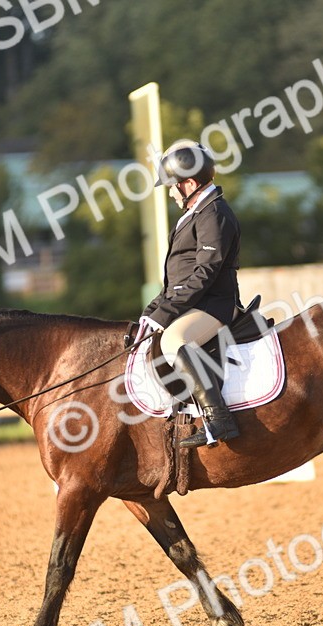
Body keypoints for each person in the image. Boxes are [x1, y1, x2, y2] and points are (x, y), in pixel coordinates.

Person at [141, 140, 242, 448]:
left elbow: (205, 272)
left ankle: (219, 419)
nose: (171, 192)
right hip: (195, 302)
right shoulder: (197, 211)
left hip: (214, 305)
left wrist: (166, 314)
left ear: (189, 183)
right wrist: (153, 310)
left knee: (174, 340)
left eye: (173, 186)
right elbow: (178, 277)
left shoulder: (214, 214)